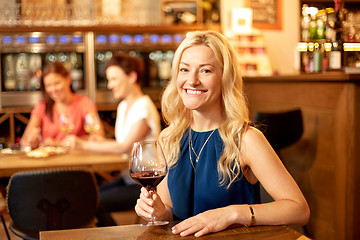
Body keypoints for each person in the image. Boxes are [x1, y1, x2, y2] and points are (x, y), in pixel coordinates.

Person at [134, 30, 310, 237]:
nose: (192, 80)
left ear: (225, 78)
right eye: (184, 69)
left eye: (205, 71)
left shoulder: (246, 139)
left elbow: (299, 210)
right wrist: (158, 211)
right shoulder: (168, 138)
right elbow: (171, 213)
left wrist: (232, 213)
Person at [64, 52, 161, 226]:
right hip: (129, 178)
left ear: (132, 77)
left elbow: (124, 147)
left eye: (114, 79)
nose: (110, 85)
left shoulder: (143, 107)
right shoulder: (124, 105)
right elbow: (123, 144)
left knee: (92, 202)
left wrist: (82, 145)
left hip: (144, 183)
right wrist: (101, 142)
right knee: (87, 196)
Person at [20, 61, 104, 149]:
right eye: (48, 85)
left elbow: (99, 137)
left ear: (68, 79)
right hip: (50, 161)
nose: (53, 89)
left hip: (78, 159)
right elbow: (24, 142)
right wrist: (32, 142)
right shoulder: (41, 107)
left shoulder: (85, 103)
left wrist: (58, 143)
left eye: (57, 83)